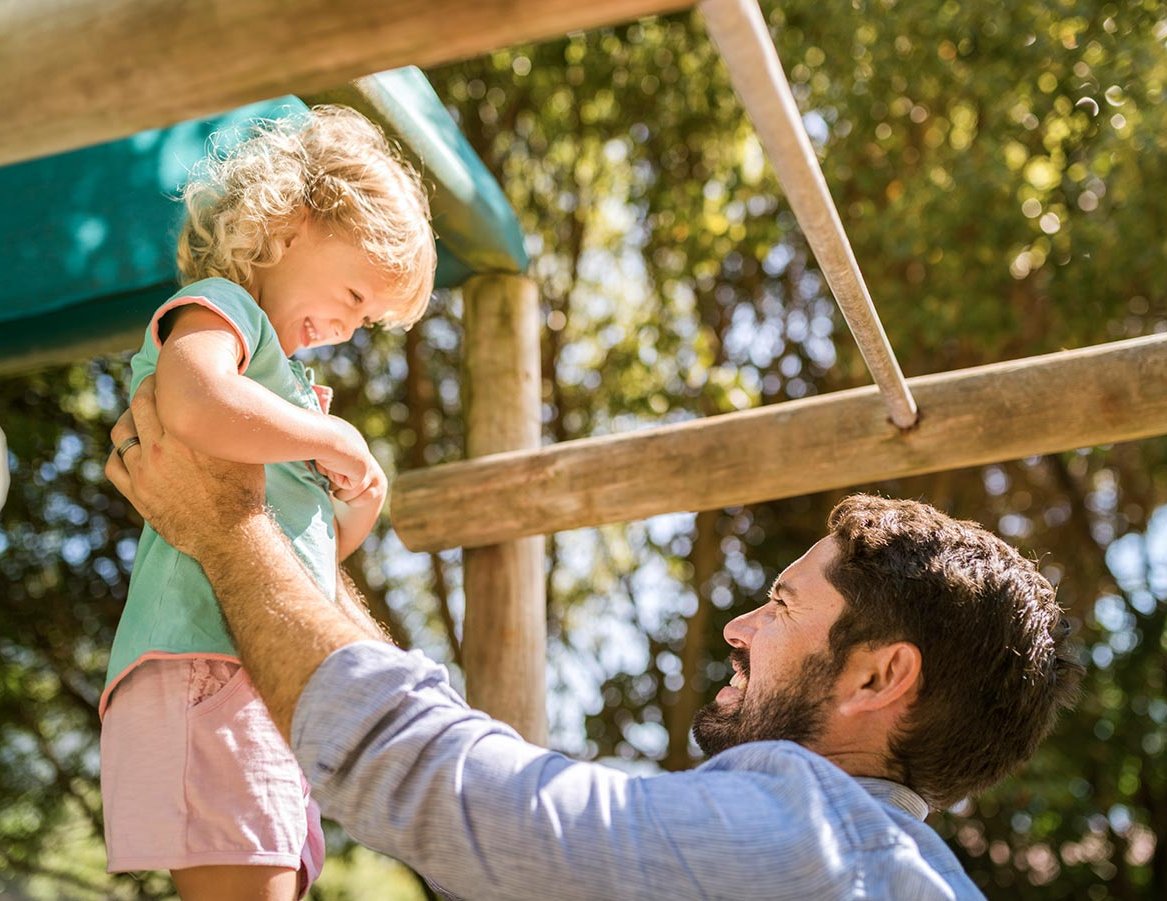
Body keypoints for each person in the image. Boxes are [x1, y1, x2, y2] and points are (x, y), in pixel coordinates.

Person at [106, 381, 1083, 901]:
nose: (740, 628)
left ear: (878, 673)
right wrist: (299, 550)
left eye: (782, 607)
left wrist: (234, 527)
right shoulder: (882, 866)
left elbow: (446, 788)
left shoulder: (812, 837)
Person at [99, 107, 436, 901]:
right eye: (353, 294)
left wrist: (352, 503)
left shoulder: (280, 391)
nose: (349, 330)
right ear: (289, 224)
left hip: (253, 666)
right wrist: (327, 439)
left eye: (366, 321)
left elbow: (306, 563)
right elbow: (191, 398)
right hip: (208, 667)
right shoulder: (222, 309)